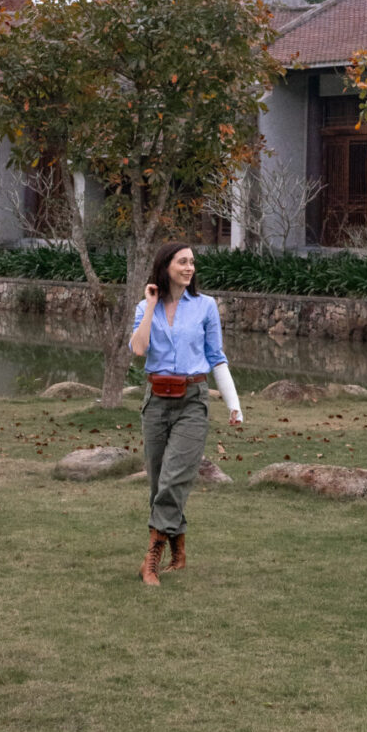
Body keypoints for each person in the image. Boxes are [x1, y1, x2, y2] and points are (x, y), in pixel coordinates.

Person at [129, 240, 243, 587]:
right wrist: (150, 307)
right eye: (182, 262)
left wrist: (234, 404)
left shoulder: (205, 306)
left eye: (192, 262)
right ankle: (178, 548)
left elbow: (216, 355)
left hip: (193, 400)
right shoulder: (145, 306)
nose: (189, 268)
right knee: (158, 480)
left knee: (175, 477)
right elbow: (138, 349)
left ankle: (152, 557)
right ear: (166, 267)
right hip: (156, 401)